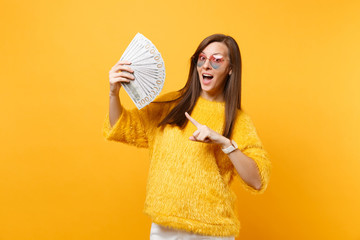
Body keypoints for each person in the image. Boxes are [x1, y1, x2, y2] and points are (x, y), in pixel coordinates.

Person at [103, 34, 271, 240]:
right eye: (202, 58)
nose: (206, 65)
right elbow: (121, 127)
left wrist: (224, 142)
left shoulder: (237, 120)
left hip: (212, 231)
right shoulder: (168, 106)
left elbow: (257, 180)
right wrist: (114, 92)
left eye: (216, 60)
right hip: (164, 228)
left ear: (231, 69)